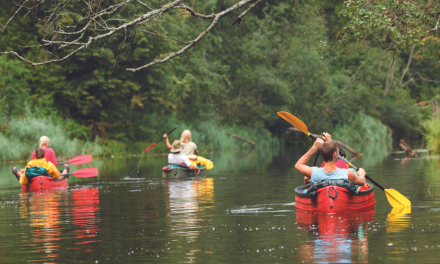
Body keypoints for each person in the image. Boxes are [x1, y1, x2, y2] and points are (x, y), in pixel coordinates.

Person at [295, 133, 365, 186]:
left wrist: (314, 148)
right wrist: (361, 174)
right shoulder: (347, 174)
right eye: (338, 151)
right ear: (335, 154)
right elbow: (362, 182)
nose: (339, 152)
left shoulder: (314, 172)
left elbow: (298, 165)